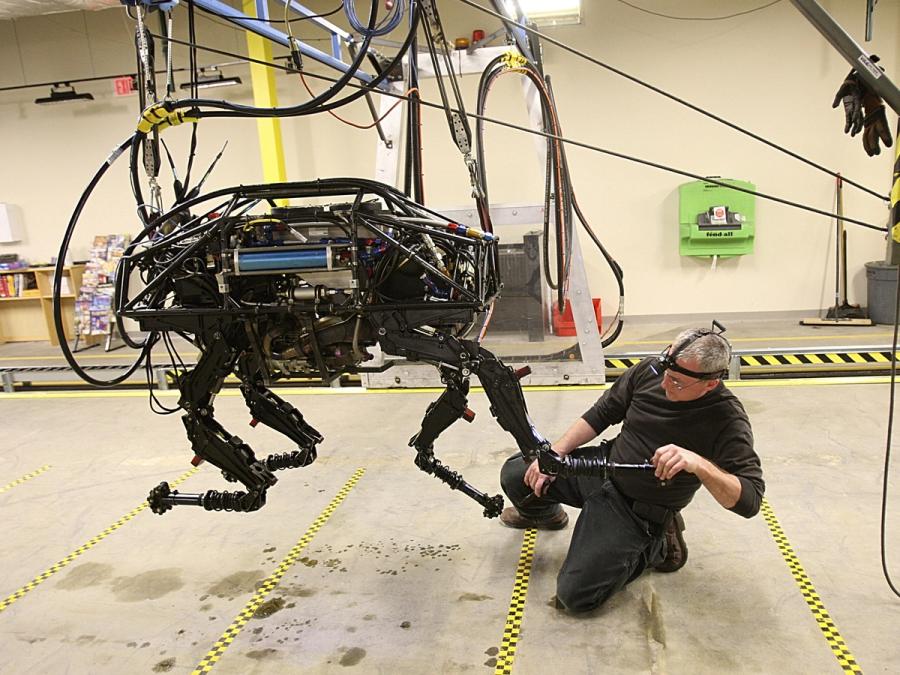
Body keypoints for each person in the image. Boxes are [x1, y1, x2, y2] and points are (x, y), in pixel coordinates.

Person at [499, 325, 765, 613]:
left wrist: (699, 464)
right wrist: (555, 454)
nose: (664, 383)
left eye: (677, 382)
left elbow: (749, 500)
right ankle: (549, 516)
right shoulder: (651, 371)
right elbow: (602, 413)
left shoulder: (727, 418)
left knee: (576, 596)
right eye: (666, 372)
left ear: (709, 384)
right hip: (604, 468)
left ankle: (659, 546)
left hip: (639, 506)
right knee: (517, 474)